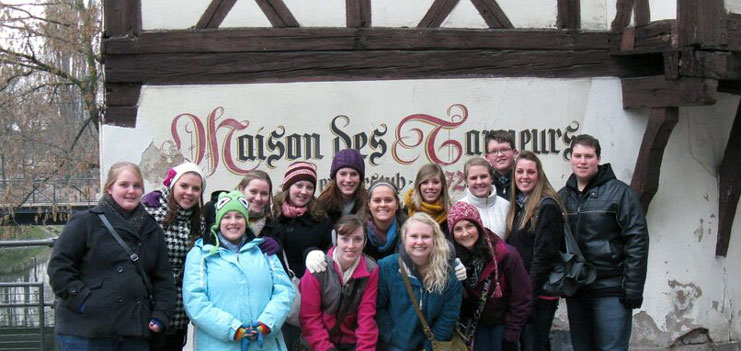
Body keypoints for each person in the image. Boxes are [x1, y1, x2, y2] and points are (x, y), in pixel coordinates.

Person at [49, 161, 175, 351]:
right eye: (124, 185)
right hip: (87, 330)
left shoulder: (151, 228)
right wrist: (83, 302)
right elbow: (59, 269)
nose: (131, 191)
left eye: (137, 186)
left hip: (134, 331)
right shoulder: (85, 222)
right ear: (110, 188)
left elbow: (163, 279)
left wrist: (160, 315)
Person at [557, 134, 649, 351]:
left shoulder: (621, 193)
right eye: (578, 155)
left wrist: (633, 287)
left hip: (611, 289)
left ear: (598, 159)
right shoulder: (562, 196)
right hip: (578, 291)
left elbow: (637, 241)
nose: (582, 161)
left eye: (588, 156)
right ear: (571, 158)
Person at [182, 191, 295, 351]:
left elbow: (284, 290)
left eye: (239, 216)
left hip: (265, 344)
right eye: (227, 217)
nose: (233, 222)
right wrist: (233, 329)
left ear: (246, 221)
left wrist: (267, 323)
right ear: (218, 221)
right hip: (219, 346)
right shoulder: (201, 254)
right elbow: (195, 301)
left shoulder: (262, 250)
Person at [448, 201, 531, 351]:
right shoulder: (452, 259)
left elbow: (522, 297)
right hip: (471, 328)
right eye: (458, 229)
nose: (465, 233)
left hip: (502, 327)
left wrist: (511, 334)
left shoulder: (506, 255)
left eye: (469, 226)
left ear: (478, 225)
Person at [141, 162, 206, 351]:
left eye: (196, 188)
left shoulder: (198, 223)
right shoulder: (150, 214)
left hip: (178, 313)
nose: (189, 192)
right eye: (184, 186)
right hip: (149, 307)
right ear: (172, 185)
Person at [269, 161, 333, 350]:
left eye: (309, 186)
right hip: (278, 300)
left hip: (309, 299)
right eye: (299, 185)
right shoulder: (273, 217)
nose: (304, 191)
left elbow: (331, 251)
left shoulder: (320, 219)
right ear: (288, 186)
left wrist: (316, 253)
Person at [505, 151, 565, 351]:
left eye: (530, 172)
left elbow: (544, 257)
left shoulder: (546, 206)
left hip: (537, 294)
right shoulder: (521, 204)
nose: (524, 176)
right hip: (525, 291)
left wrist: (527, 296)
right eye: (520, 171)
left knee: (533, 345)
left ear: (539, 175)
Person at [376, 212, 462, 351]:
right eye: (414, 236)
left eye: (426, 237)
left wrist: (428, 348)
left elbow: (448, 316)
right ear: (404, 238)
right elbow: (379, 308)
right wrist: (393, 337)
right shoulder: (387, 268)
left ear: (435, 239)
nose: (420, 242)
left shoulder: (449, 272)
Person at [299, 215, 379, 351]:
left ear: (365, 241)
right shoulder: (318, 268)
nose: (351, 246)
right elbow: (309, 318)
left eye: (358, 239)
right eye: (345, 239)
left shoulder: (371, 269)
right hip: (317, 343)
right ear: (335, 239)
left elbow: (367, 317)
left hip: (351, 343)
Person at [459, 157, 510, 238]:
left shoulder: (506, 206)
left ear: (491, 178)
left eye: (483, 176)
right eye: (473, 178)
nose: (479, 182)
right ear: (466, 181)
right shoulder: (458, 209)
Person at [317, 148, 368, 224]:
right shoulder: (321, 206)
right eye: (343, 174)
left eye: (353, 174)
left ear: (360, 178)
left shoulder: (369, 205)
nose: (348, 180)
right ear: (335, 177)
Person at [403, 163, 453, 236]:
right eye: (425, 182)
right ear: (418, 185)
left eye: (435, 182)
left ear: (442, 185)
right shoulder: (405, 213)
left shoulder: (452, 213)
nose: (430, 187)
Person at [484, 130, 518, 201]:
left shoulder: (524, 179)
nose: (500, 155)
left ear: (514, 153)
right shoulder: (484, 184)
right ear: (487, 157)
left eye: (504, 150)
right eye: (494, 151)